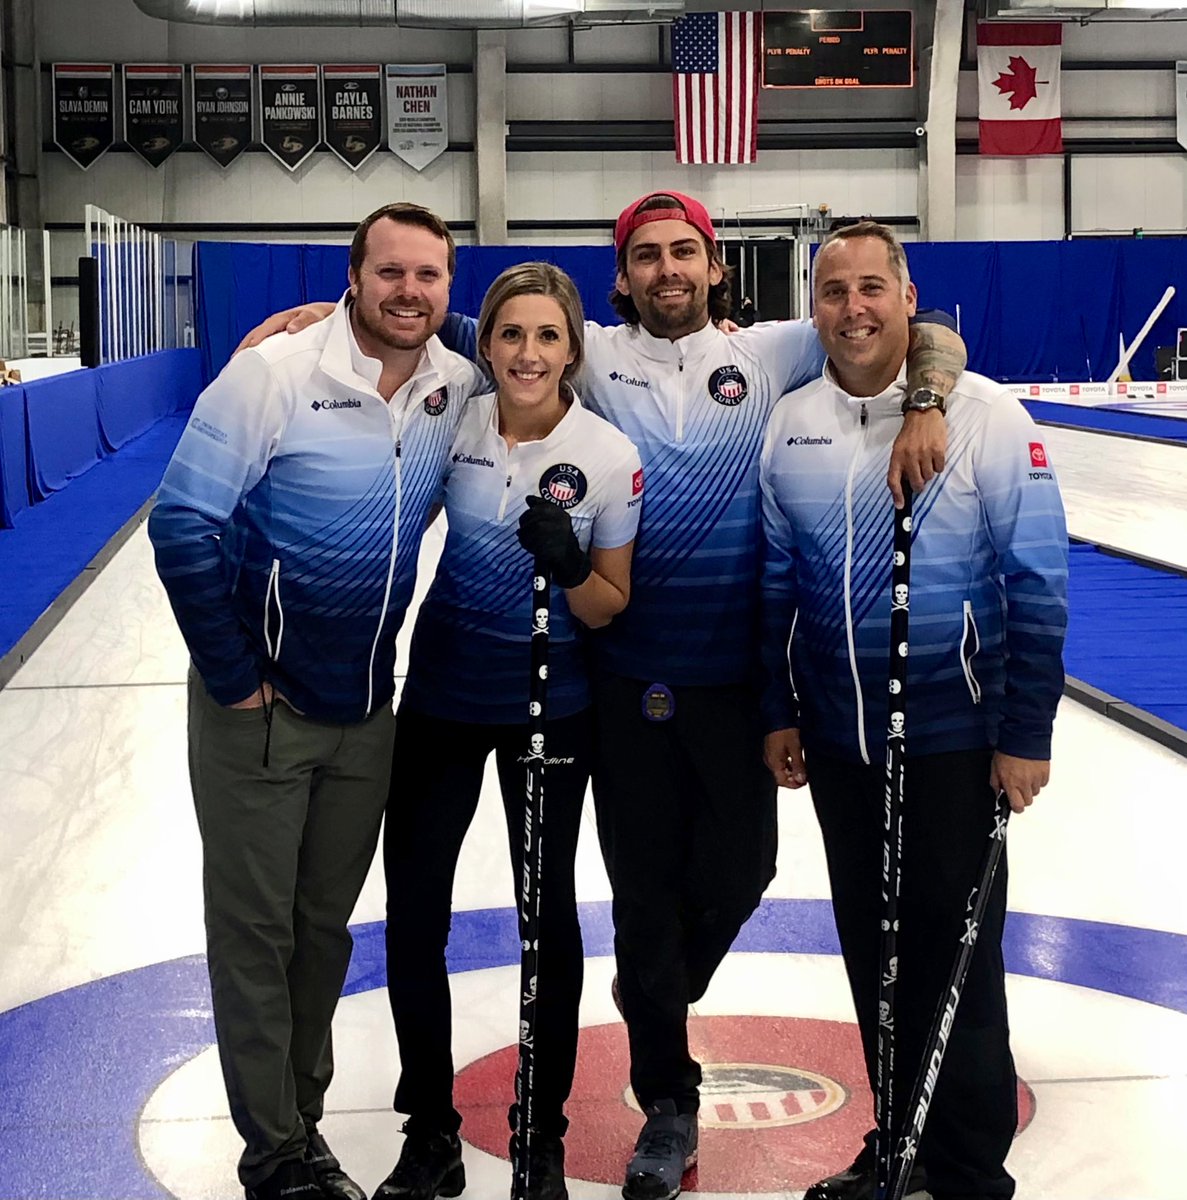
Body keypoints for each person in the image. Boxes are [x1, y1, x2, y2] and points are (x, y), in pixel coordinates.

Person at [240, 190, 966, 1200]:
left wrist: (926, 398)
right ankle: (653, 1102)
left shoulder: (775, 351)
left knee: (739, 871)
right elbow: (409, 313)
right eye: (645, 256)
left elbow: (923, 324)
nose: (667, 269)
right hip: (613, 682)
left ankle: (644, 999)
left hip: (721, 677)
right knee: (626, 900)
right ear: (618, 277)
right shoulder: (572, 350)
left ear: (714, 266)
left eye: (685, 253)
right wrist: (311, 323)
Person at [149, 202, 487, 1200]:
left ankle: (299, 1121)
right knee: (255, 929)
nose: (409, 293)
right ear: (352, 275)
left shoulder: (454, 387)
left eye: (429, 276)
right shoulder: (274, 375)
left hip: (363, 706)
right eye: (390, 273)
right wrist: (231, 676)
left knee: (322, 930)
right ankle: (275, 1150)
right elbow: (182, 525)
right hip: (258, 707)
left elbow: (544, 354)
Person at [759, 222, 1068, 1200]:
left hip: (951, 736)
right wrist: (780, 708)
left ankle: (967, 1172)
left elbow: (1036, 584)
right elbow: (776, 581)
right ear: (813, 308)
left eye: (869, 289)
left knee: (955, 965)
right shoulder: (792, 419)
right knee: (875, 956)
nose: (852, 309)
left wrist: (1022, 733)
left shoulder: (983, 416)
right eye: (832, 292)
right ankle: (894, 1145)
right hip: (840, 744)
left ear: (905, 298)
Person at [372, 262, 641, 1200]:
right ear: (484, 345)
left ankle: (543, 1136)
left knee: (546, 920)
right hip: (443, 699)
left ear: (573, 349)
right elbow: (385, 333)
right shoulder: (454, 416)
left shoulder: (604, 453)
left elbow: (608, 605)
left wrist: (569, 566)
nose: (528, 353)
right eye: (510, 335)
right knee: (414, 915)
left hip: (549, 709)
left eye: (548, 337)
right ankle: (429, 1132)